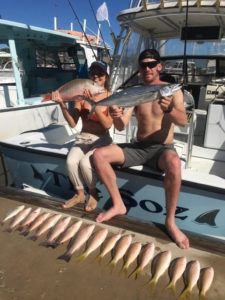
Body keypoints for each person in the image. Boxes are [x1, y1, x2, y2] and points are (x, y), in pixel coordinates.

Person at [93, 49, 189, 249]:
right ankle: (118, 204)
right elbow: (120, 126)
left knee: (174, 163)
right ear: (139, 68)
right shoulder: (135, 92)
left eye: (152, 64)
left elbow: (183, 122)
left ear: (159, 66)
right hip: (139, 147)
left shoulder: (172, 90)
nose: (148, 68)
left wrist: (169, 109)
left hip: (162, 149)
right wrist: (117, 113)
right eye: (144, 65)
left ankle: (170, 221)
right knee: (99, 155)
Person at [51, 61, 113, 211]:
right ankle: (80, 194)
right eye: (93, 73)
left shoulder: (111, 97)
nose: (96, 76)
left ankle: (93, 193)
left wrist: (92, 103)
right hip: (83, 137)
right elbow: (73, 123)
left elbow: (107, 125)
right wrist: (62, 104)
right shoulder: (80, 97)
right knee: (71, 161)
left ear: (106, 77)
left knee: (86, 162)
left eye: (100, 73)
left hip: (101, 139)